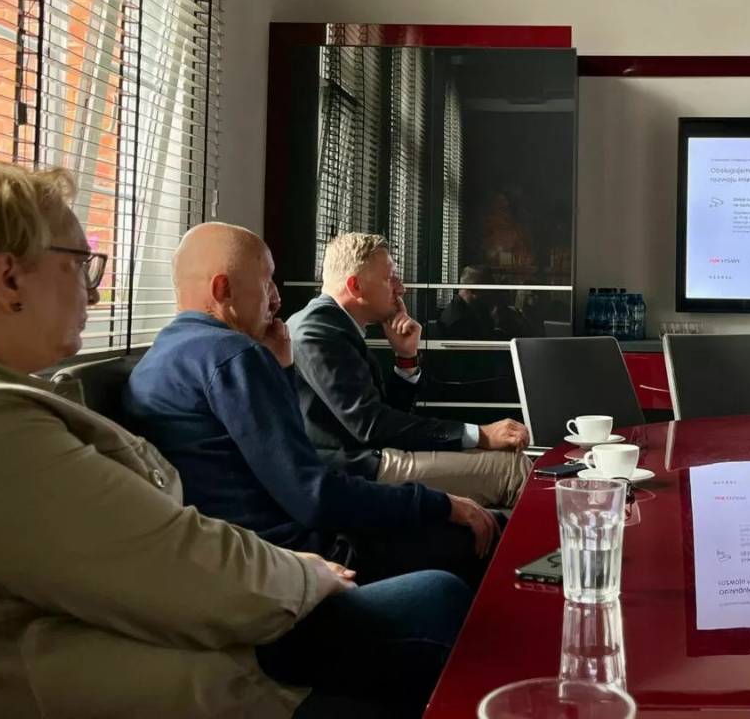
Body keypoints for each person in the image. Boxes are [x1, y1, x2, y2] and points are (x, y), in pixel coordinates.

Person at [0, 156, 468, 718]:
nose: (95, 292)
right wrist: (307, 571)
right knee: (439, 597)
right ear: (9, 278)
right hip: (191, 675)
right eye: (81, 265)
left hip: (186, 636)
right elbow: (176, 563)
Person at [122, 222, 500, 586]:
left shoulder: (162, 355)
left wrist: (284, 368)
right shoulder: (234, 356)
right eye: (266, 282)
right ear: (223, 289)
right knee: (489, 529)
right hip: (296, 554)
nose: (276, 298)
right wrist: (440, 504)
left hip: (244, 551)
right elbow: (313, 495)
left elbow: (279, 460)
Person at [290, 235, 531, 508]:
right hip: (353, 467)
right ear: (355, 286)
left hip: (372, 452)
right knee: (512, 470)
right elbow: (371, 426)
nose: (401, 288)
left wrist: (406, 357)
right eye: (390, 279)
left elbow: (386, 416)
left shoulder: (332, 325)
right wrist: (480, 434)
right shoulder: (317, 332)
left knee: (512, 461)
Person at [437, 264, 497, 340]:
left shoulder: (474, 309)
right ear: (474, 290)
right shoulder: (459, 322)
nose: (491, 296)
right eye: (488, 291)